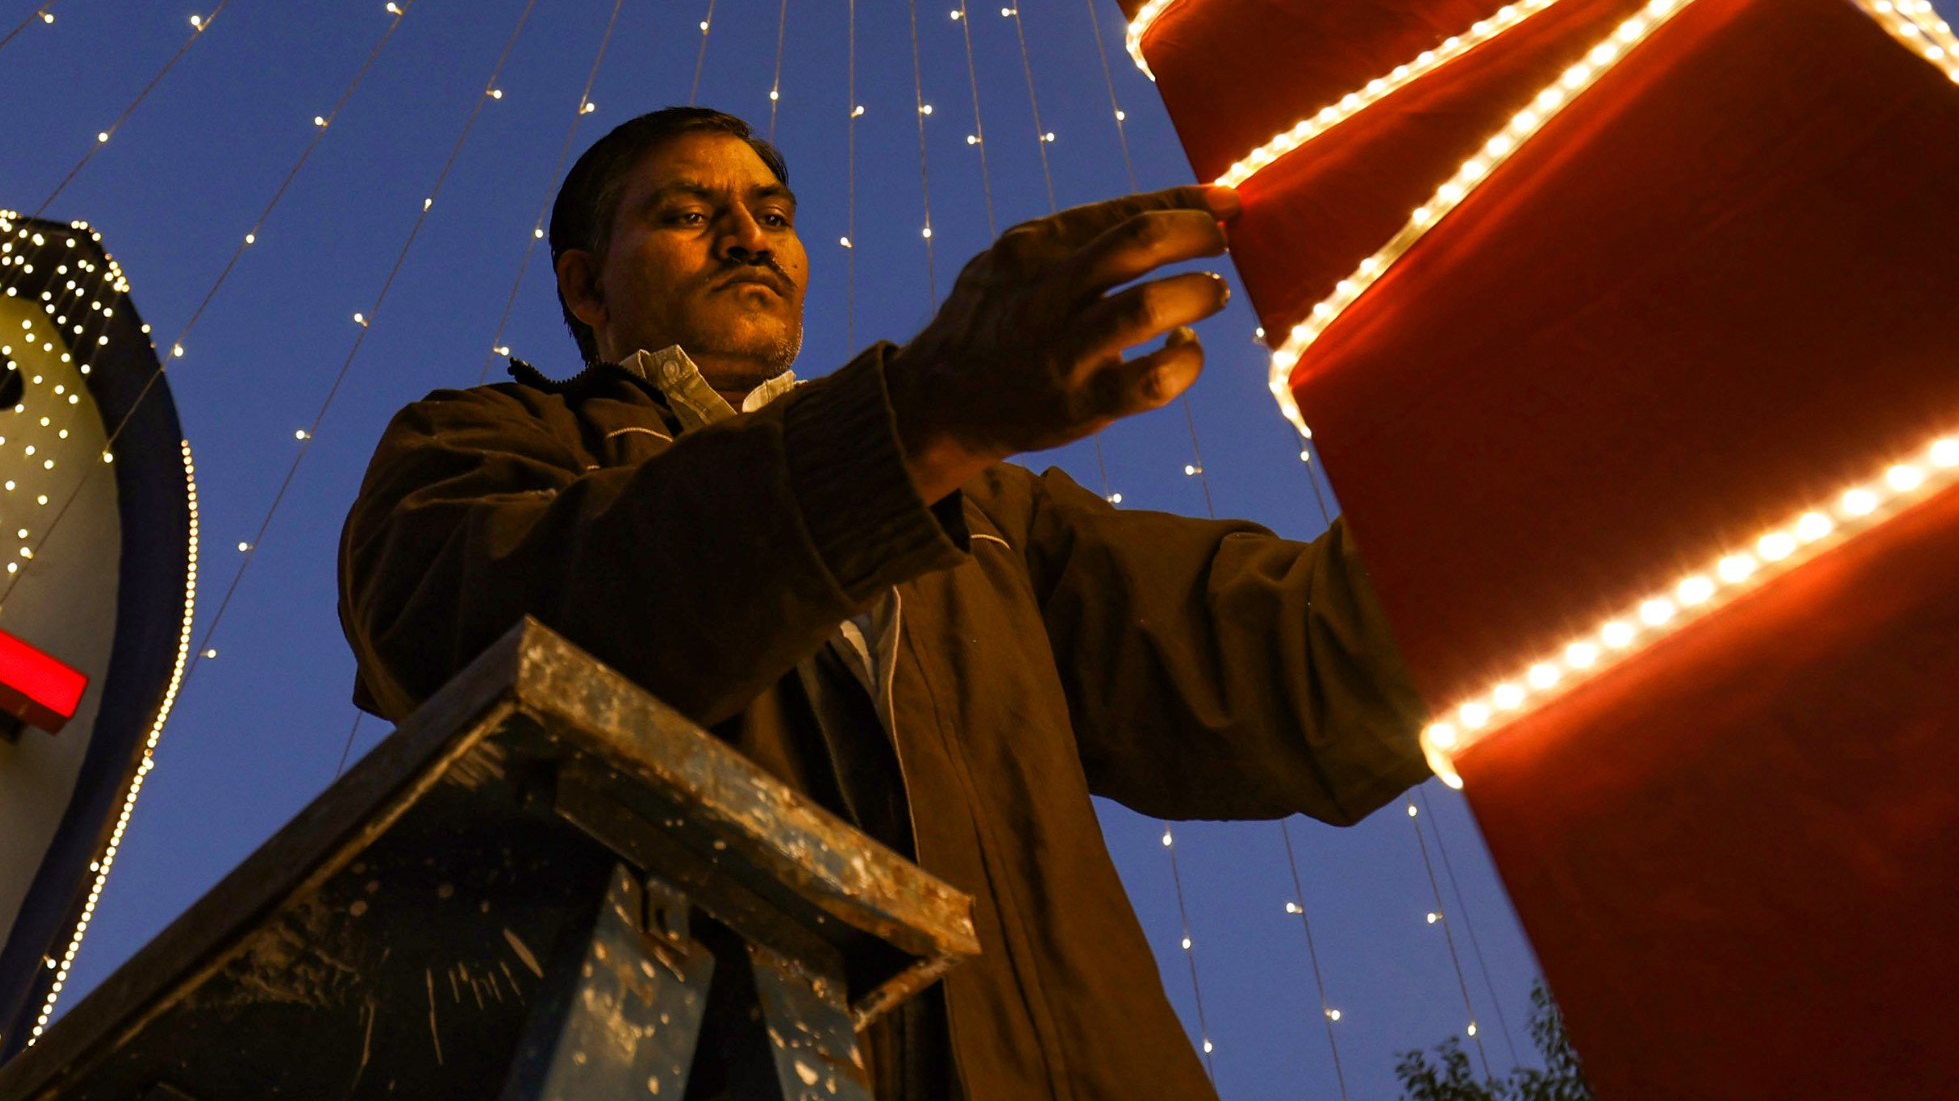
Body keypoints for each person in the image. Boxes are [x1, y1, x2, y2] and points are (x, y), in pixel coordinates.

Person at [338, 105, 1430, 1099]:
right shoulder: (490, 441)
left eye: (772, 211)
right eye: (686, 212)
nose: (747, 236)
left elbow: (1277, 662)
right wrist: (912, 423)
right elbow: (464, 633)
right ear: (585, 286)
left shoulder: (988, 504)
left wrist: (1485, 444)